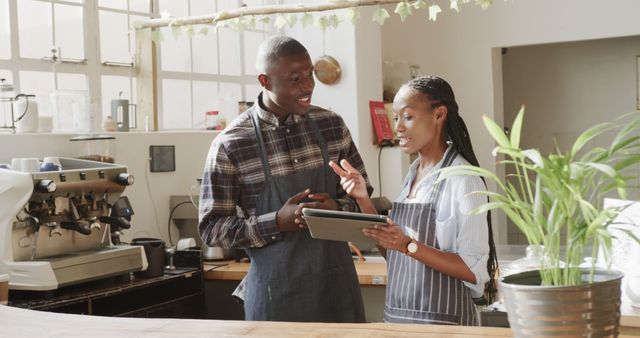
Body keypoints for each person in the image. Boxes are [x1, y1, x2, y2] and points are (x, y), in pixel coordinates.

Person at [198, 35, 371, 322]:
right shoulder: (231, 144)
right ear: (265, 81)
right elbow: (212, 229)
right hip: (274, 299)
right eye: (295, 79)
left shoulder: (331, 125)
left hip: (337, 292)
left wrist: (338, 211)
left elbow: (364, 197)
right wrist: (276, 222)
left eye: (309, 75)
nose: (308, 86)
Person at [330, 76, 498, 325]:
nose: (398, 127)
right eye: (395, 118)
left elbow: (473, 271)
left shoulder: (463, 179)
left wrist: (408, 244)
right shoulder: (413, 176)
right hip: (399, 320)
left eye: (407, 117)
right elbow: (396, 255)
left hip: (444, 325)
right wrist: (362, 198)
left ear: (439, 114)